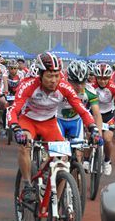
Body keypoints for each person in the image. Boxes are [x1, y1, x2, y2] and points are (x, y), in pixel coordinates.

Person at [8, 52, 100, 202]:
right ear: (40, 75)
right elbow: (13, 110)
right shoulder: (28, 85)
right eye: (50, 76)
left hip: (49, 123)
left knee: (63, 160)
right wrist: (16, 129)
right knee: (25, 145)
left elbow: (82, 110)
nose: (54, 80)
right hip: (29, 121)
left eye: (57, 75)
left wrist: (93, 129)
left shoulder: (64, 87)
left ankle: (52, 195)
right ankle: (27, 185)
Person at [58, 61, 103, 163]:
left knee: (78, 157)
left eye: (82, 82)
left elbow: (96, 114)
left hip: (76, 122)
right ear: (68, 79)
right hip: (58, 120)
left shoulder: (90, 91)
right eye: (75, 82)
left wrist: (98, 133)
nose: (79, 86)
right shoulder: (60, 88)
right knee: (60, 156)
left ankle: (74, 177)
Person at [93, 63, 115, 175]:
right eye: (100, 78)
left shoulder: (114, 88)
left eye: (105, 78)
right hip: (94, 115)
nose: (102, 81)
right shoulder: (91, 86)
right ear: (96, 77)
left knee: (107, 139)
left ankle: (107, 160)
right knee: (91, 137)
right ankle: (87, 158)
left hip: (108, 116)